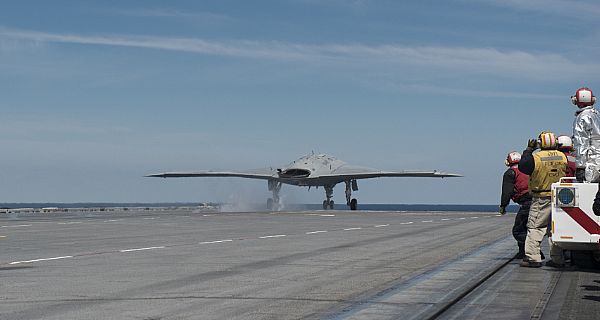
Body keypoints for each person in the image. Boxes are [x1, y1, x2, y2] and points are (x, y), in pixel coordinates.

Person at [518, 131, 567, 268]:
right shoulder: (562, 156)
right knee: (555, 229)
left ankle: (533, 258)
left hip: (541, 197)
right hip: (559, 198)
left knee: (535, 227)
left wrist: (528, 150)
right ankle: (558, 259)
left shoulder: (536, 157)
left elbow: (523, 166)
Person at [499, 151, 531, 259]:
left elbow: (506, 192)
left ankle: (529, 252)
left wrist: (503, 206)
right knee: (530, 228)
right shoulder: (528, 170)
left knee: (518, 230)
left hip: (526, 203)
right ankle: (524, 252)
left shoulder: (510, 172)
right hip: (538, 200)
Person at [571, 87, 600, 182]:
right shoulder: (596, 115)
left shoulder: (582, 117)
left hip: (591, 164)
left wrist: (580, 167)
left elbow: (581, 143)